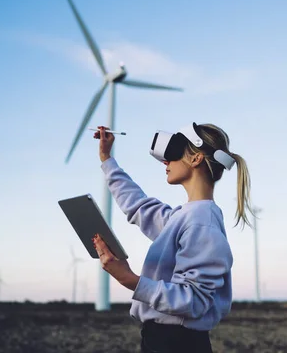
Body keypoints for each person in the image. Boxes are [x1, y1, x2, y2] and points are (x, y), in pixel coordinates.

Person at [90, 122, 254, 353]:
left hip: (178, 343)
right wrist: (107, 159)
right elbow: (139, 206)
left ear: (196, 159)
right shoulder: (184, 216)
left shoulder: (201, 220)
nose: (165, 162)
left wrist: (128, 279)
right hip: (163, 340)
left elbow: (194, 300)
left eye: (173, 153)